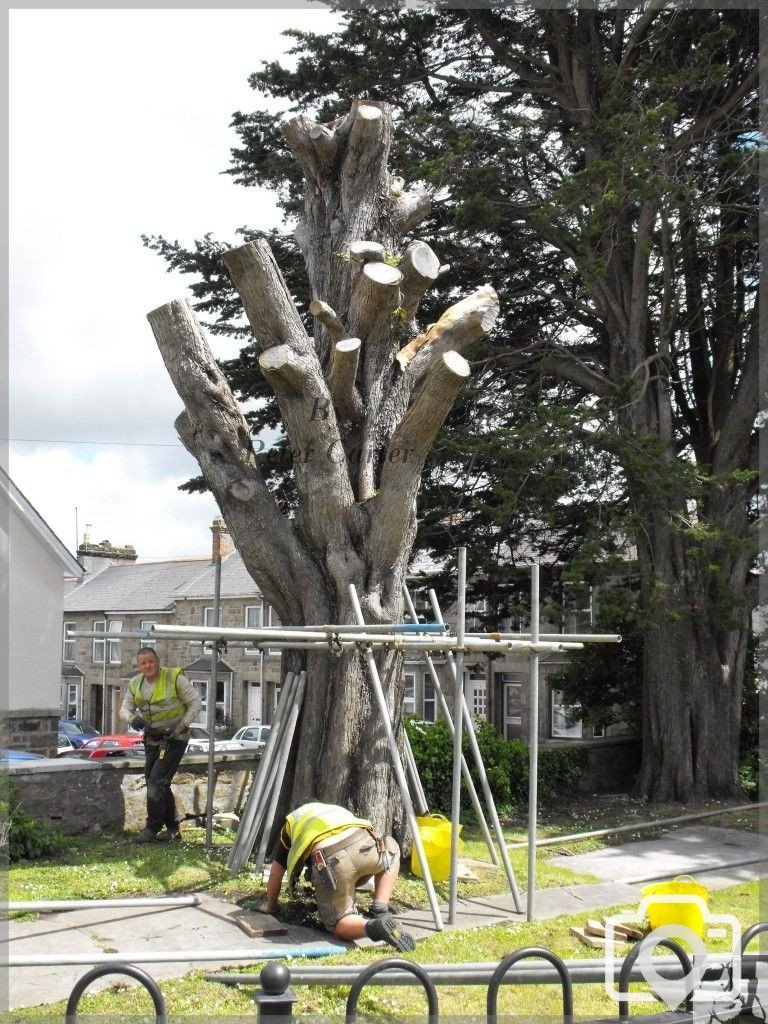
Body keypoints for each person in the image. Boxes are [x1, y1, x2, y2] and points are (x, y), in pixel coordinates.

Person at [260, 801, 416, 952]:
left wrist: (271, 905)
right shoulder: (334, 810)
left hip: (331, 858)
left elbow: (275, 873)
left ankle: (374, 927)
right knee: (392, 852)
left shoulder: (292, 822)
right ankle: (380, 909)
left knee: (339, 923)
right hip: (366, 844)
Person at [119, 647, 202, 843]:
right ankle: (173, 827)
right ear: (139, 666)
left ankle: (152, 828)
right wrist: (132, 718)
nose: (148, 666)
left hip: (175, 739)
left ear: (158, 661)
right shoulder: (135, 684)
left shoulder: (174, 678)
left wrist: (181, 726)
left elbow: (196, 703)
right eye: (143, 663)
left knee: (156, 781)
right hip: (153, 739)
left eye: (151, 661)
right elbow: (124, 709)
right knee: (155, 782)